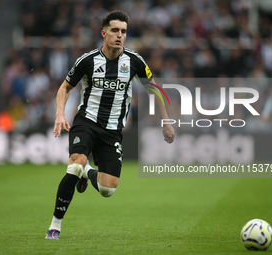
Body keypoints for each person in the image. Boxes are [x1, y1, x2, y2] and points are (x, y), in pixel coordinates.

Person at [46, 10, 175, 240]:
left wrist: (166, 122)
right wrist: (59, 114)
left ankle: (87, 172)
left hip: (113, 130)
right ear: (103, 33)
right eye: (115, 30)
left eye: (123, 31)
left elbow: (154, 89)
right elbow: (65, 87)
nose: (119, 35)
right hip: (86, 121)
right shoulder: (87, 60)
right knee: (74, 165)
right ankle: (55, 226)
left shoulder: (135, 61)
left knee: (107, 189)